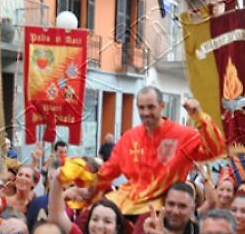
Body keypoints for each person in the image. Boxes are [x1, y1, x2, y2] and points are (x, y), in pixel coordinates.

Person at [94, 87, 224, 216]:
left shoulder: (183, 135)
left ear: (162, 105)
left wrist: (200, 117)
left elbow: (216, 150)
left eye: (151, 107)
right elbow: (107, 172)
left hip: (162, 210)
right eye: (141, 108)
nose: (145, 112)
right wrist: (84, 187)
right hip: (126, 206)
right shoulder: (129, 138)